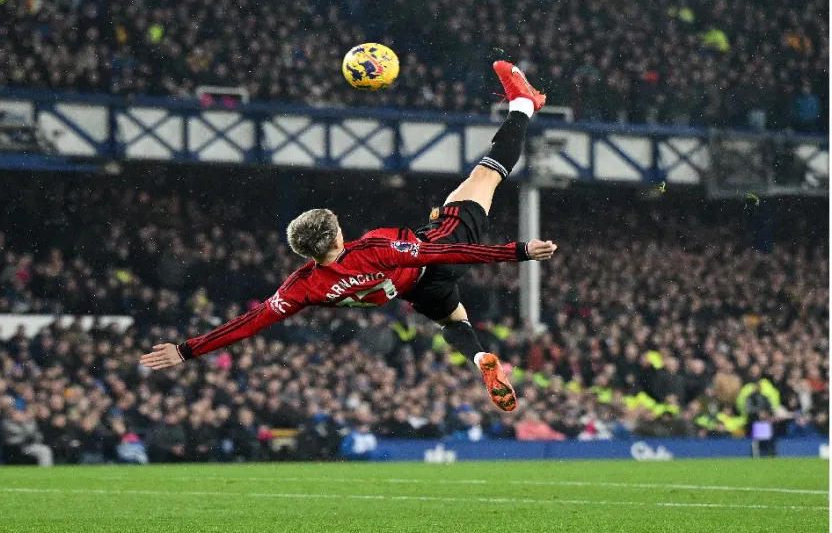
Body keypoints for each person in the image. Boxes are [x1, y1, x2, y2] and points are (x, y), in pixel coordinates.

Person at [142, 61, 557, 413]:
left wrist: (186, 350)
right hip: (432, 259)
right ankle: (524, 104)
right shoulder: (373, 248)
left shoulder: (302, 286)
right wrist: (518, 251)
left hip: (416, 294)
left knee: (454, 319)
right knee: (484, 176)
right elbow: (445, 250)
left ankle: (480, 356)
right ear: (337, 233)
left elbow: (249, 323)